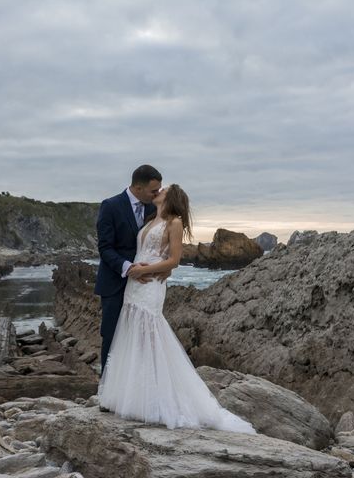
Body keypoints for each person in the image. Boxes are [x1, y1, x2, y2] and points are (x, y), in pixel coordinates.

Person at [98, 184, 256, 434]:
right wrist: (134, 270)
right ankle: (133, 396)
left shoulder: (174, 222)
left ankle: (160, 399)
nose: (158, 190)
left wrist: (144, 271)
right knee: (131, 335)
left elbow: (174, 260)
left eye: (164, 188)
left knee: (150, 334)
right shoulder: (151, 217)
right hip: (133, 285)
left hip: (150, 285)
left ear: (172, 197)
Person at [95, 164, 167, 376]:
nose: (158, 194)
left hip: (144, 286)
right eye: (154, 190)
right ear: (138, 187)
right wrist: (128, 268)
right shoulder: (110, 206)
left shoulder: (155, 209)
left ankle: (137, 389)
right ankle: (106, 389)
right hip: (115, 282)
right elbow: (105, 247)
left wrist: (164, 268)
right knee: (112, 335)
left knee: (143, 337)